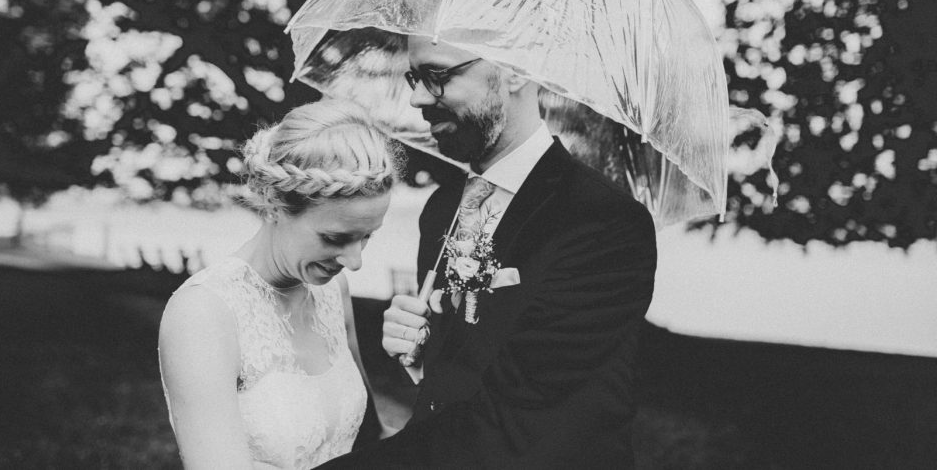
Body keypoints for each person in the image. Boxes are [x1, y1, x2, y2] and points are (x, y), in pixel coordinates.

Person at [319, 36, 658, 468]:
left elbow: (518, 414)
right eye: (414, 77)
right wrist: (423, 355)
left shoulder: (601, 221)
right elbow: (455, 385)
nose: (418, 98)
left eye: (437, 76)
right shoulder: (442, 208)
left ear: (515, 69)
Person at [159, 99, 400, 469]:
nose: (355, 261)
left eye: (367, 236)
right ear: (273, 204)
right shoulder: (204, 313)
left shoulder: (333, 292)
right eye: (335, 238)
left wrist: (429, 370)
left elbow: (371, 442)